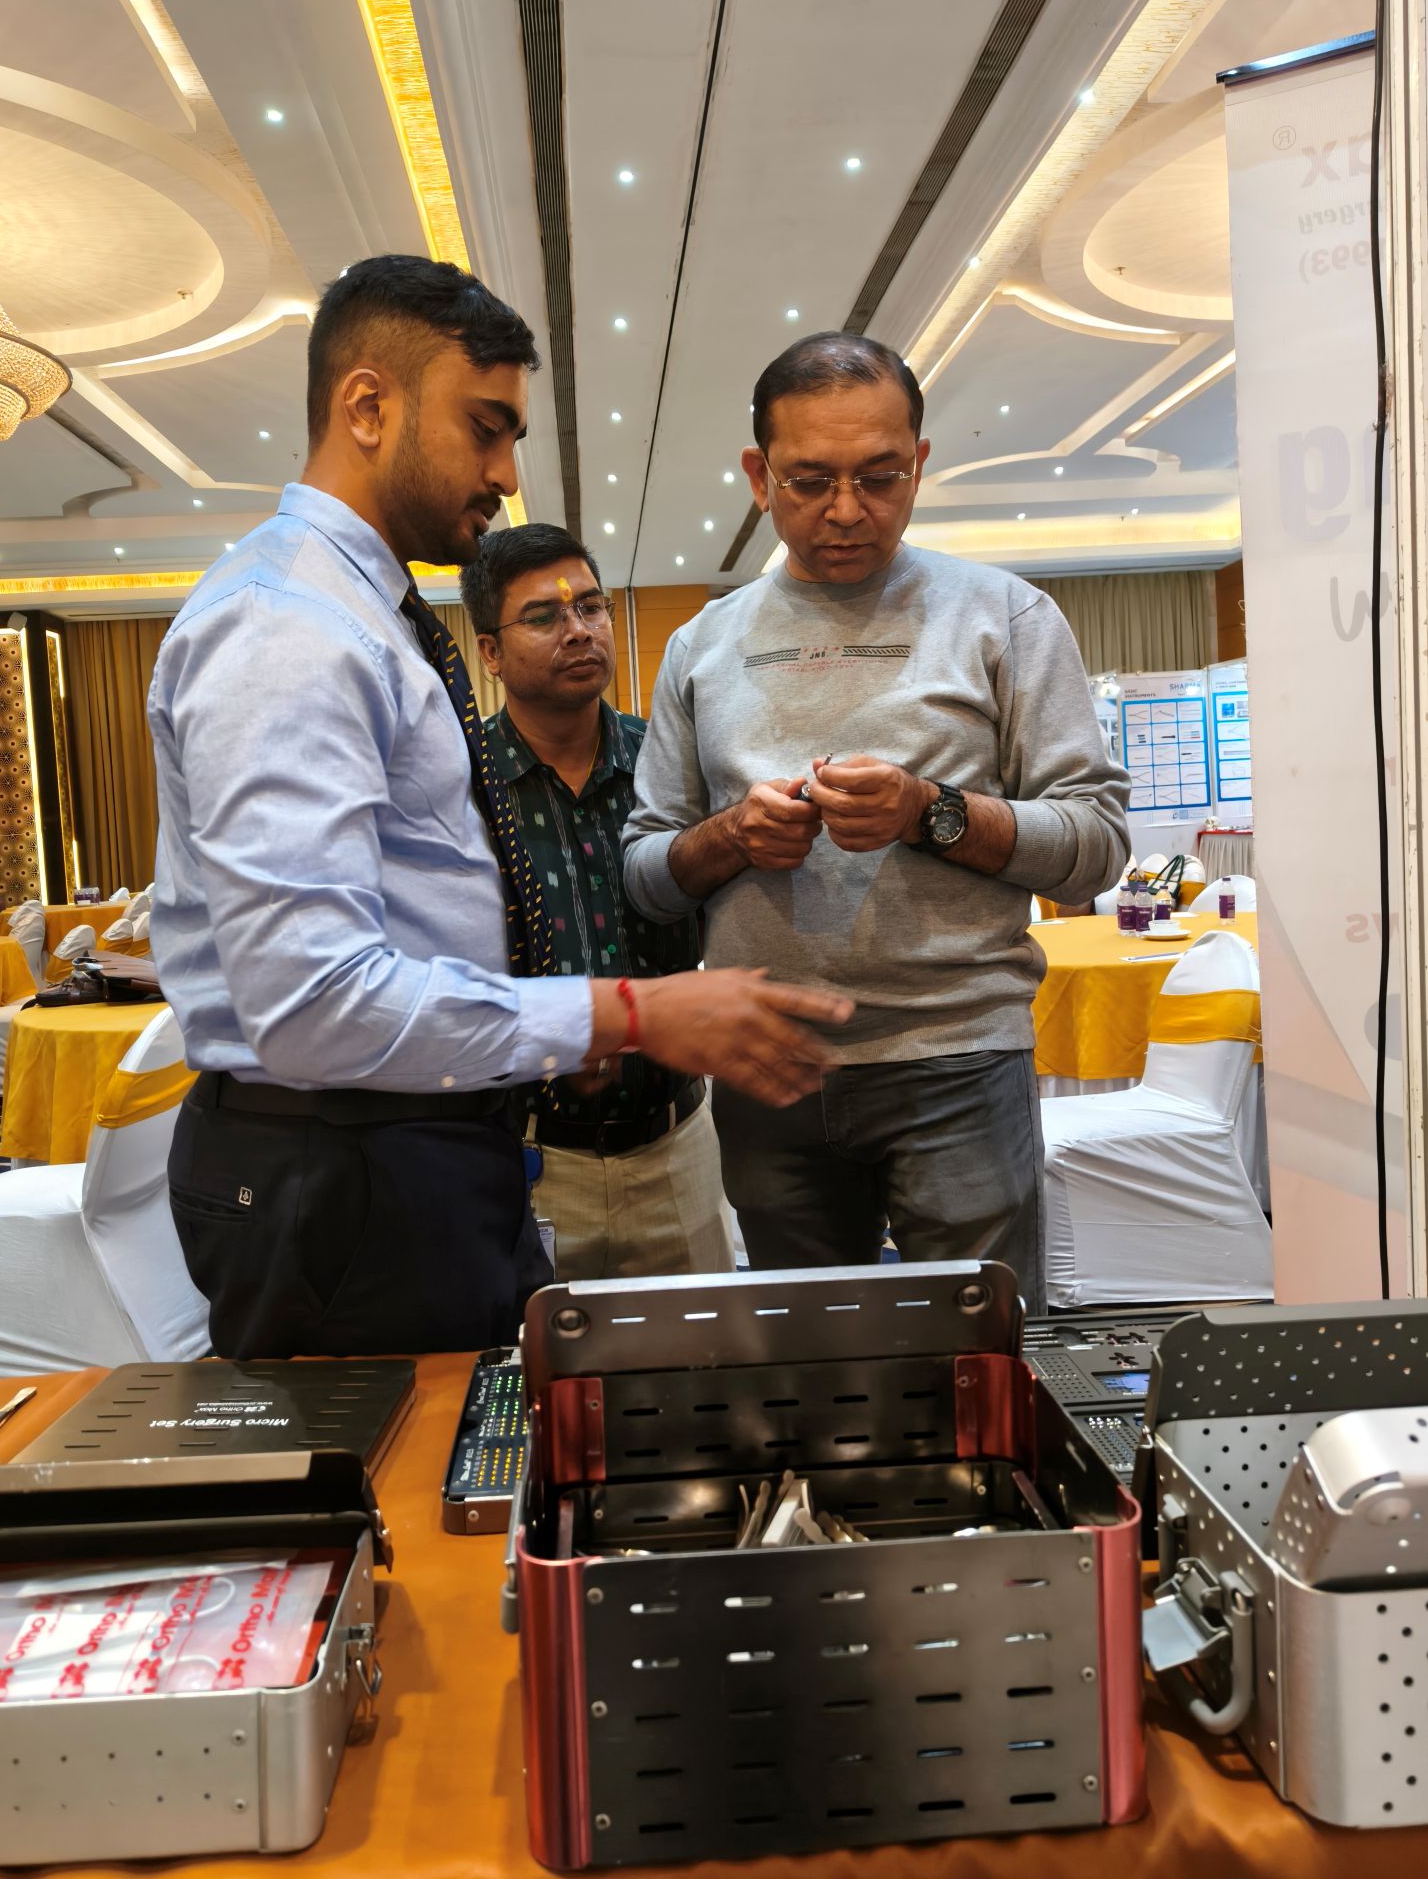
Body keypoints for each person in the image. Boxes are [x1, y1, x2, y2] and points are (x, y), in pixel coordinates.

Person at [147, 258, 850, 1359]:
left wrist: (552, 1030)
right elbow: (312, 1000)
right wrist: (626, 1012)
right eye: (485, 428)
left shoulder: (358, 611)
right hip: (345, 1166)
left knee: (485, 1441)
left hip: (404, 1145)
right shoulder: (288, 627)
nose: (506, 476)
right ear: (368, 407)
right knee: (408, 1464)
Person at [622, 331, 1130, 1309]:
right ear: (758, 476)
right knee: (810, 1355)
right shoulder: (700, 645)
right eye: (811, 481)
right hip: (767, 1061)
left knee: (979, 1352)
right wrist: (730, 837)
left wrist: (929, 811)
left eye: (881, 476)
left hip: (958, 1057)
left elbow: (1097, 847)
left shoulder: (1007, 618)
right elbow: (646, 872)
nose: (848, 510)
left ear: (920, 463)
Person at [461, 523, 734, 1279]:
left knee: (703, 1351)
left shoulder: (669, 767)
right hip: (526, 1162)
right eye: (544, 616)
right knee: (538, 1358)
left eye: (590, 606)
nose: (579, 630)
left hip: (677, 1148)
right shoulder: (458, 786)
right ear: (490, 652)